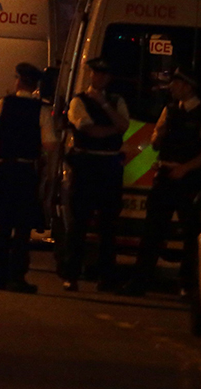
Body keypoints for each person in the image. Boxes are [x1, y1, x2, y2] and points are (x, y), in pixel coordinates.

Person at [122, 68, 201, 297]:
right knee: (152, 231)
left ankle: (187, 285)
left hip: (190, 180)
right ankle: (139, 282)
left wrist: (185, 169)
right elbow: (156, 144)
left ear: (188, 86)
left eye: (176, 83)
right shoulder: (169, 111)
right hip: (166, 176)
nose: (172, 88)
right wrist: (160, 135)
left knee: (191, 234)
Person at [0, 63, 56, 293]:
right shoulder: (41, 110)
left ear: (18, 82)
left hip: (4, 171)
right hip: (26, 173)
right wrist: (46, 170)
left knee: (2, 226)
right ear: (34, 85)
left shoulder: (2, 105)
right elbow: (50, 145)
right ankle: (17, 278)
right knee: (22, 229)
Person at [61, 57, 129, 292]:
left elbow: (125, 125)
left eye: (104, 75)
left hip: (109, 166)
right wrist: (112, 129)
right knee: (78, 224)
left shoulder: (116, 100)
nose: (100, 78)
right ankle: (71, 275)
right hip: (86, 165)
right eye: (96, 73)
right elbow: (89, 129)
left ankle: (106, 277)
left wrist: (106, 107)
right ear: (91, 75)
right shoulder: (78, 101)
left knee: (108, 226)